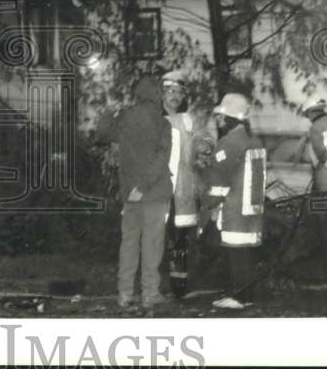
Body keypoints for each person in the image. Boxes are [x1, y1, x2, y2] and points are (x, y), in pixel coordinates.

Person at [96, 74, 174, 309]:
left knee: (129, 242)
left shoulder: (124, 118)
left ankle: (125, 293)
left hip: (130, 194)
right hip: (154, 194)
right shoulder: (163, 123)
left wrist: (109, 112)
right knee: (152, 244)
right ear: (157, 94)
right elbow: (162, 159)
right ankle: (150, 293)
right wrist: (144, 187)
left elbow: (103, 135)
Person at [202, 92, 266, 311]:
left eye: (220, 117)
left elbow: (220, 177)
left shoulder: (229, 142)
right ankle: (246, 294)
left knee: (235, 252)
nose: (218, 121)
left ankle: (237, 296)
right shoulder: (254, 140)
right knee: (247, 252)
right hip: (253, 207)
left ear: (228, 118)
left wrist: (209, 202)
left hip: (234, 206)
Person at [161, 69, 217, 298]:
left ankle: (178, 287)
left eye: (180, 92)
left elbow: (205, 139)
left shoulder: (188, 120)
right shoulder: (151, 119)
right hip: (156, 190)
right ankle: (153, 286)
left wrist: (205, 149)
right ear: (162, 93)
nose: (175, 96)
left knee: (180, 239)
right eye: (170, 91)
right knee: (155, 238)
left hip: (182, 190)